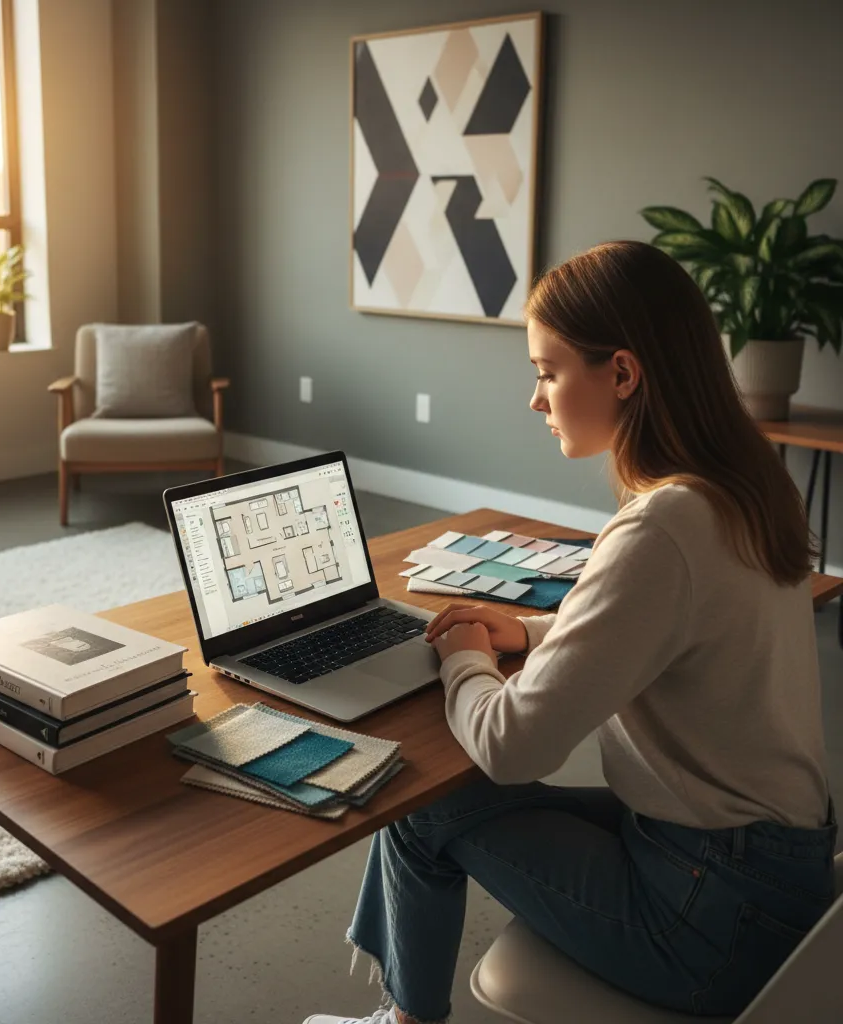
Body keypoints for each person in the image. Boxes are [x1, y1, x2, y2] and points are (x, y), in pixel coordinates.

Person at [303, 240, 836, 1024]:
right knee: (429, 808)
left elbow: (512, 747)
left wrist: (463, 655)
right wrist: (525, 631)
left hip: (713, 918)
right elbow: (662, 621)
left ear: (622, 374)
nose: (536, 399)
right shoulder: (744, 487)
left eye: (547, 372)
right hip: (772, 870)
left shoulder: (662, 526)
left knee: (419, 807)